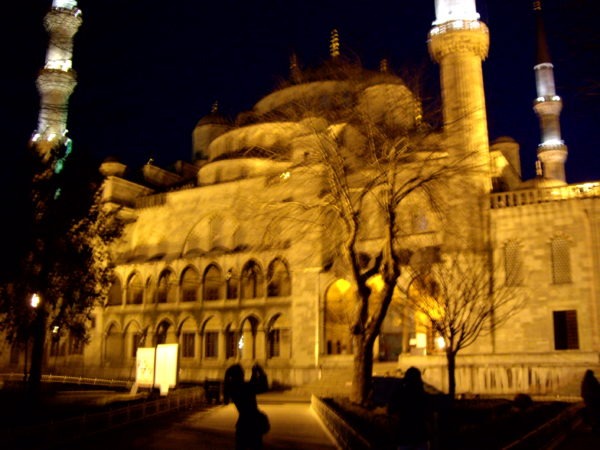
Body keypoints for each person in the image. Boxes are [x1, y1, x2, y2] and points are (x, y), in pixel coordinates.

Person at [224, 364, 270, 450]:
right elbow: (263, 387)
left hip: (242, 424)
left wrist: (254, 375)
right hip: (252, 424)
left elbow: (251, 386)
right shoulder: (244, 387)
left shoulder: (233, 388)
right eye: (242, 372)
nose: (244, 373)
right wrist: (261, 372)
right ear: (239, 375)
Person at [387, 367, 431, 450]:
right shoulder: (422, 395)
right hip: (420, 435)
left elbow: (391, 411)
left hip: (404, 436)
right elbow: (428, 414)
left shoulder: (400, 394)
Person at [581, 369, 600, 434]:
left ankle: (594, 426)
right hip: (593, 399)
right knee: (595, 413)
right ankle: (595, 426)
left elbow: (583, 391)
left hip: (589, 399)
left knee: (592, 413)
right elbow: (597, 388)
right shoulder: (593, 380)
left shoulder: (585, 381)